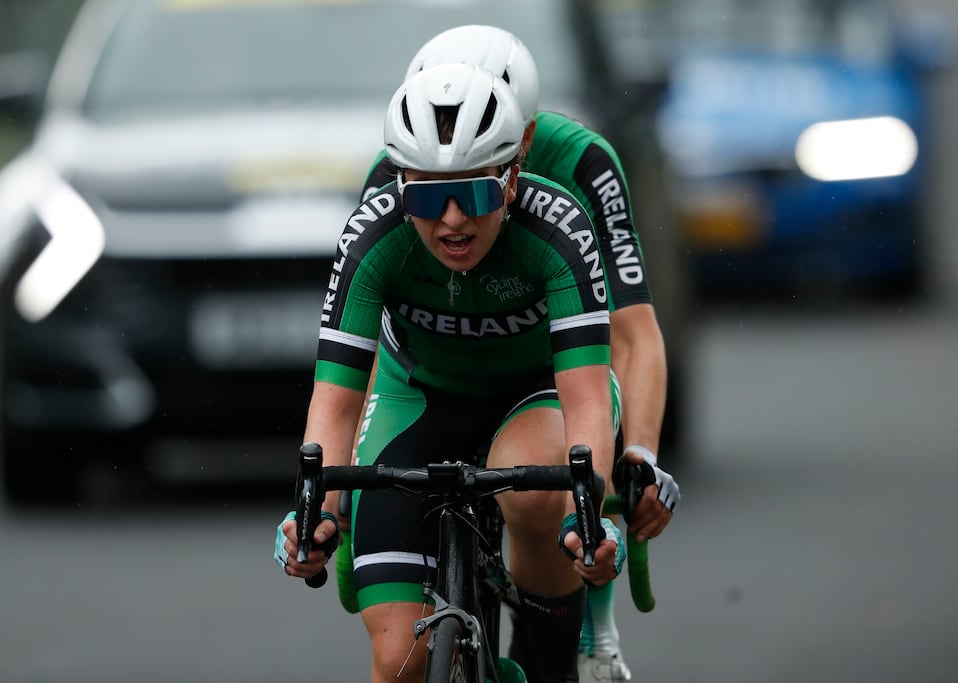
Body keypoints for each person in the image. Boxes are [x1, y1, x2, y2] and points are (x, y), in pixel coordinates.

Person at [276, 63, 623, 683]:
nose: (454, 219)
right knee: (398, 662)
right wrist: (314, 511)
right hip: (420, 394)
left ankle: (550, 661)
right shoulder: (373, 234)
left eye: (478, 192)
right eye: (430, 196)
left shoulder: (560, 229)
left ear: (513, 179)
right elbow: (333, 403)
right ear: (399, 183)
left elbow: (589, 399)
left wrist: (586, 515)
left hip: (537, 393)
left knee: (543, 497)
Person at [361, 25, 681, 683]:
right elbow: (376, 314)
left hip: (548, 369)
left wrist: (638, 454)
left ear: (526, 136)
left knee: (547, 486)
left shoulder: (582, 163)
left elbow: (632, 332)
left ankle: (576, 628)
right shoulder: (400, 170)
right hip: (437, 372)